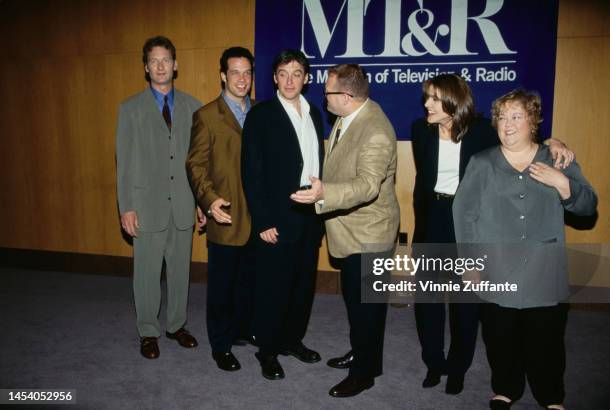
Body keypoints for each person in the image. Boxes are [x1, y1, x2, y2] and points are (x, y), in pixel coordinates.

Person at [411, 74, 574, 394]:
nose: (426, 104)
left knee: (466, 302)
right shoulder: (421, 131)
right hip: (433, 221)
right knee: (428, 298)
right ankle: (433, 362)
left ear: (453, 101)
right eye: (427, 97)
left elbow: (522, 141)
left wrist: (554, 142)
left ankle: (458, 368)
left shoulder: (484, 131)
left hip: (470, 221)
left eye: (433, 98)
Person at [452, 89, 597, 410]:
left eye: (516, 116)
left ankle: (550, 395)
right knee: (499, 335)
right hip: (496, 266)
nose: (507, 124)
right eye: (502, 118)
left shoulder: (558, 158)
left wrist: (563, 185)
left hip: (544, 269)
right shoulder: (482, 162)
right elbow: (464, 214)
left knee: (546, 338)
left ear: (534, 121)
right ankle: (506, 387)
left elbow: (588, 207)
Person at [291, 63, 400, 398]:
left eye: (327, 92)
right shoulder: (349, 117)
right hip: (352, 230)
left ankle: (363, 374)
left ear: (347, 96)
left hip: (369, 235)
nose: (323, 98)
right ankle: (367, 357)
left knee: (367, 309)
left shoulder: (376, 130)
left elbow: (367, 186)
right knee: (360, 306)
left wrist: (325, 194)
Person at [116, 35, 203, 359]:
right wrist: (127, 207)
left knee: (180, 272)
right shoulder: (130, 109)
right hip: (146, 207)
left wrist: (201, 202)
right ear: (146, 67)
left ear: (176, 65)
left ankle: (176, 325)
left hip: (182, 204)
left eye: (166, 59)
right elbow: (123, 163)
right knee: (147, 274)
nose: (161, 66)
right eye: (154, 61)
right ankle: (148, 331)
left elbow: (197, 163)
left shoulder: (194, 107)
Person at [241, 49, 324, 380]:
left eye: (297, 73)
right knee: (273, 287)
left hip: (309, 213)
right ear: (274, 77)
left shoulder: (314, 113)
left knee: (302, 285)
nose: (290, 80)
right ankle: (268, 350)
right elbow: (251, 172)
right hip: (276, 216)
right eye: (283, 73)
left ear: (307, 78)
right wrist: (262, 220)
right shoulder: (261, 115)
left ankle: (292, 340)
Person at [186, 47, 255, 372]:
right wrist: (208, 200)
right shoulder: (207, 115)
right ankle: (220, 344)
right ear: (223, 76)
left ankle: (241, 330)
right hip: (224, 212)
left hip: (256, 214)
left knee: (246, 280)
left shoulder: (260, 112)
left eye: (247, 72)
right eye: (235, 72)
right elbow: (195, 165)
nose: (242, 79)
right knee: (222, 285)